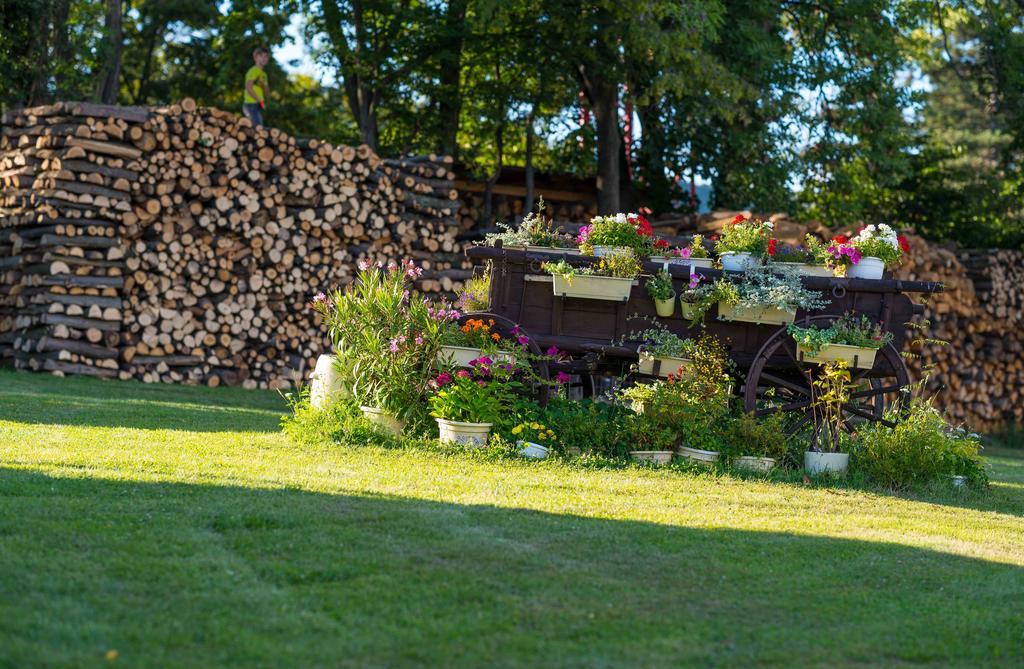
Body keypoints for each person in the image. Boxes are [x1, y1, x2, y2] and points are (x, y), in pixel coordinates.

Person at [243, 47, 270, 127]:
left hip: (258, 105)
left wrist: (264, 86)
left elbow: (267, 93)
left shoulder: (264, 75)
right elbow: (248, 88)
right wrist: (260, 100)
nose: (264, 59)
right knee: (258, 129)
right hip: (250, 105)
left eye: (266, 56)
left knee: (259, 129)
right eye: (261, 56)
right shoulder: (253, 71)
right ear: (255, 58)